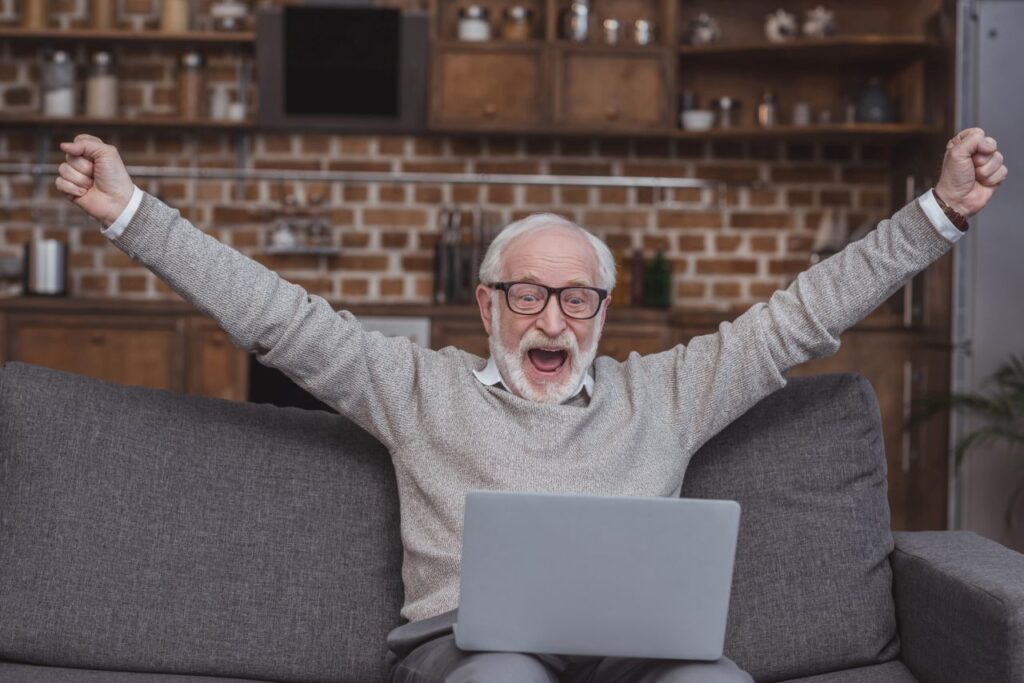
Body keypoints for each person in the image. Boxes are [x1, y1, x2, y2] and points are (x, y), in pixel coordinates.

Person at [54, 128, 1006, 683]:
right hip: (469, 648)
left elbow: (802, 316)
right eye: (527, 294)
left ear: (600, 310)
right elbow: (274, 315)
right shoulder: (414, 385)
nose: (552, 317)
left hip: (635, 654)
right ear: (488, 305)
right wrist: (135, 215)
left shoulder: (665, 392)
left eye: (576, 297)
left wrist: (940, 212)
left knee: (714, 681)